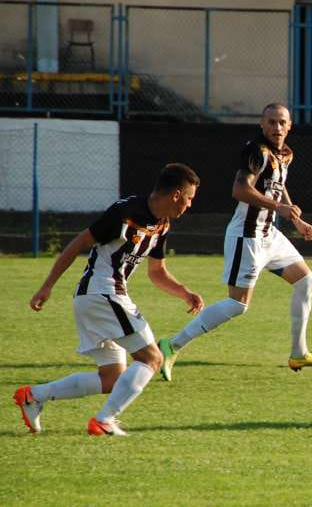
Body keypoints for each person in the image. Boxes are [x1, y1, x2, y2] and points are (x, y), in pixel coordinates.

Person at [15, 163, 203, 436]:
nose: (189, 206)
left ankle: (34, 396)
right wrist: (47, 286)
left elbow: (157, 272)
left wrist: (184, 292)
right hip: (102, 293)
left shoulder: (163, 225)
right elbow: (78, 244)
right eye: (189, 199)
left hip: (97, 297)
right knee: (153, 358)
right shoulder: (125, 213)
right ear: (176, 194)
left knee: (113, 377)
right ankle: (105, 421)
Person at [158, 103, 312, 381]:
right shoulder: (256, 151)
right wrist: (281, 208)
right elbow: (240, 189)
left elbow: (278, 183)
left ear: (290, 126)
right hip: (246, 236)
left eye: (281, 122)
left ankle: (299, 352)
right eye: (271, 122)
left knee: (306, 281)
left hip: (269, 234)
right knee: (237, 305)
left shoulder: (285, 154)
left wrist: (294, 218)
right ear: (262, 125)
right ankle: (172, 345)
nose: (276, 127)